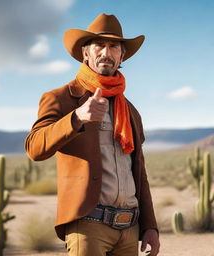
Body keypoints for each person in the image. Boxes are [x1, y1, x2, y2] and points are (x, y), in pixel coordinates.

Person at [25, 13, 160, 256]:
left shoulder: (129, 110)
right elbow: (34, 147)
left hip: (129, 227)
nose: (106, 52)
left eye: (114, 46)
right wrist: (76, 118)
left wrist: (150, 225)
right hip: (88, 225)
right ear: (85, 53)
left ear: (121, 56)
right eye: (99, 45)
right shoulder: (61, 98)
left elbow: (138, 170)